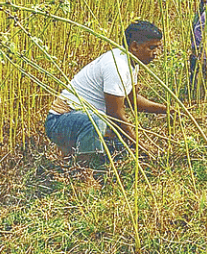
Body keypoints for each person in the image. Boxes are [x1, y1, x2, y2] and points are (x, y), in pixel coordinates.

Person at [45, 20, 172, 165]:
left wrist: (167, 110)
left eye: (158, 47)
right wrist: (139, 146)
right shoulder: (117, 66)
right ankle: (84, 171)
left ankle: (80, 158)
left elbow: (131, 99)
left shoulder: (131, 62)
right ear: (135, 46)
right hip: (60, 122)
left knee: (120, 149)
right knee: (97, 123)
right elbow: (115, 114)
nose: (156, 53)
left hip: (82, 119)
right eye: (152, 47)